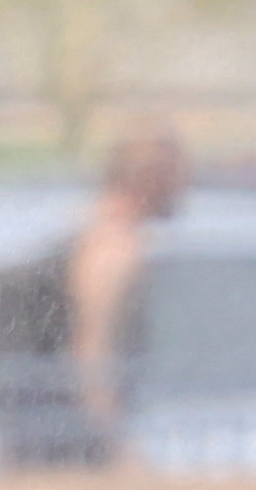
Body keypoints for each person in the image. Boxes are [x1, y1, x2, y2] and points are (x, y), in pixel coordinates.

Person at [64, 118, 189, 449]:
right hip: (83, 447)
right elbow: (92, 350)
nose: (184, 189)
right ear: (151, 179)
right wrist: (116, 445)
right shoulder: (113, 246)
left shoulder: (101, 233)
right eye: (177, 176)